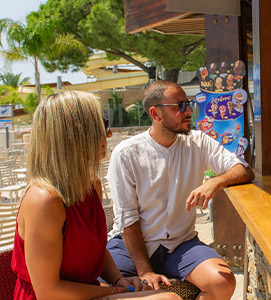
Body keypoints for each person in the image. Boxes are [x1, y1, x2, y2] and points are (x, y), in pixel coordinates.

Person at [11, 91, 180, 300]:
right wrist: (113, 290)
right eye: (101, 125)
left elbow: (96, 248)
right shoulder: (44, 201)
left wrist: (119, 279)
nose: (108, 134)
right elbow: (48, 292)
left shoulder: (91, 186)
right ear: (73, 135)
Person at [106, 80, 254, 300]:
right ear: (155, 114)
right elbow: (127, 219)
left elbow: (244, 170)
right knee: (100, 287)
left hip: (180, 244)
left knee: (222, 282)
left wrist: (214, 182)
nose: (189, 111)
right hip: (131, 246)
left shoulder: (198, 142)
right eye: (180, 106)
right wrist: (145, 271)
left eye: (189, 103)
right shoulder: (126, 153)